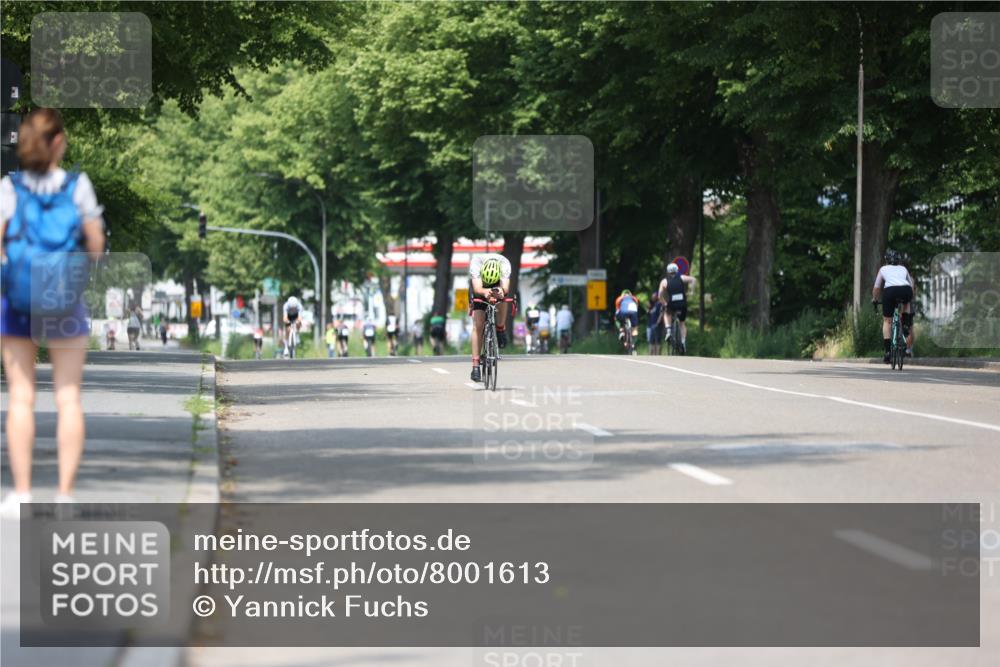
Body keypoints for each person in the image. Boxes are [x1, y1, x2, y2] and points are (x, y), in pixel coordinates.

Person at [0, 108, 105, 516]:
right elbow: (95, 247)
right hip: (63, 297)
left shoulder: (9, 188)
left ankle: (23, 494)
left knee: (22, 397)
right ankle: (64, 497)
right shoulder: (77, 188)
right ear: (59, 142)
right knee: (68, 397)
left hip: (17, 299)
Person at [468, 253, 512, 382]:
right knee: (478, 325)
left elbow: (505, 288)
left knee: (503, 299)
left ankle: (500, 328)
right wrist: (484, 292)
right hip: (480, 289)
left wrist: (500, 291)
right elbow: (477, 288)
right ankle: (475, 365)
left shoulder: (504, 264)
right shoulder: (476, 264)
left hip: (498, 285)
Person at [872, 249, 916, 362]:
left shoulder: (883, 269)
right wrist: (909, 297)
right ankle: (905, 324)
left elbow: (877, 287)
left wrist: (875, 299)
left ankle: (887, 352)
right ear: (898, 260)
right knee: (907, 303)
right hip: (905, 290)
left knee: (887, 321)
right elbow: (911, 287)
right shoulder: (903, 269)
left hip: (890, 291)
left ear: (886, 260)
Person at [659, 262, 696, 354]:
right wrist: (692, 291)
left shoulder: (664, 281)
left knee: (666, 313)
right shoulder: (682, 277)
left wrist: (664, 303)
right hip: (682, 304)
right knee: (682, 323)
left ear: (668, 272)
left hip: (672, 304)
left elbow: (660, 294)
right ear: (677, 270)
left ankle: (668, 330)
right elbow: (693, 279)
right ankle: (683, 342)